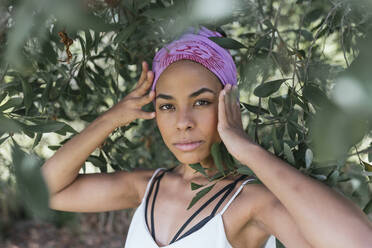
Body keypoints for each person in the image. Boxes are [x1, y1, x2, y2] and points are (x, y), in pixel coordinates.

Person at [41, 26, 372, 248]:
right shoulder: (147, 188)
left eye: (201, 102)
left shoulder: (250, 204)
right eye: (167, 106)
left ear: (228, 104)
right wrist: (113, 117)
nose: (182, 122)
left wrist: (248, 150)